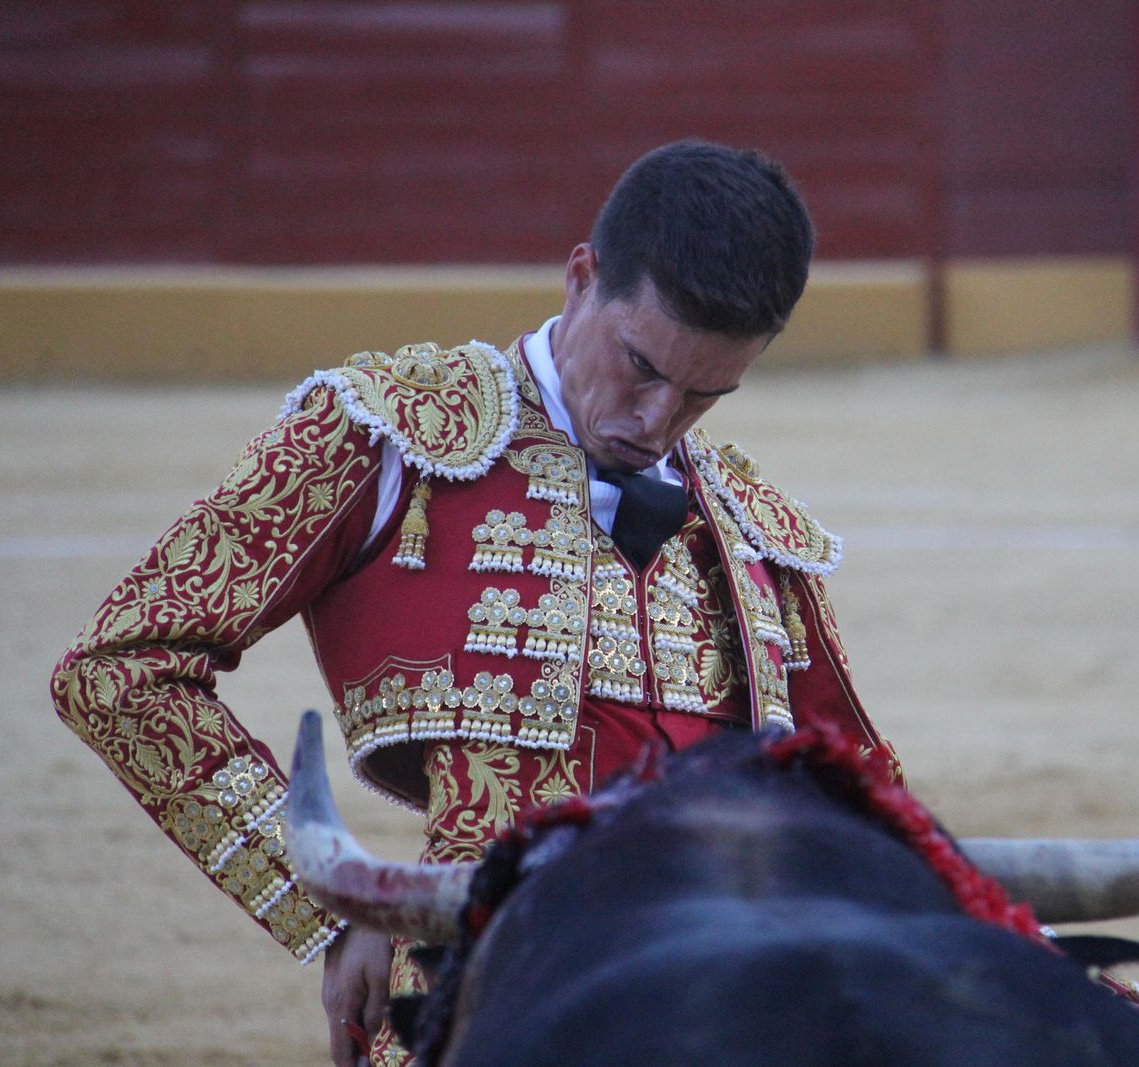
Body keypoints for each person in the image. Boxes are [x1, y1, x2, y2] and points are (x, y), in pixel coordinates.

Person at [51, 139, 895, 1066]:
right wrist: (331, 907)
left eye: (705, 395)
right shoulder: (388, 435)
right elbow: (118, 669)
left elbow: (859, 799)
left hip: (726, 1012)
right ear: (582, 277)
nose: (656, 421)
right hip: (489, 1004)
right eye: (640, 366)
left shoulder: (753, 529)